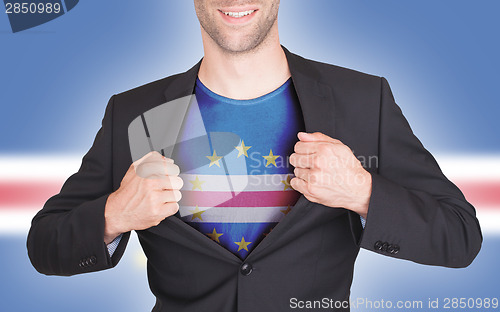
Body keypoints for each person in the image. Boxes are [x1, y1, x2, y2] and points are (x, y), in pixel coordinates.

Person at [27, 0, 482, 311]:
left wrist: (363, 191)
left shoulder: (363, 100)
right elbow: (45, 245)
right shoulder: (136, 113)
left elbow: (460, 236)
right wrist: (113, 214)